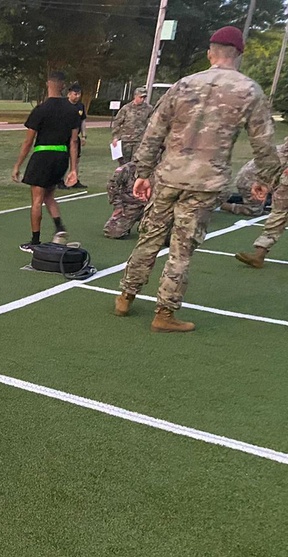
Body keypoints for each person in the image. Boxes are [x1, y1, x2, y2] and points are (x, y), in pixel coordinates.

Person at [114, 26, 280, 332]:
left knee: (149, 239)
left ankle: (126, 295)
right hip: (206, 183)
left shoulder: (183, 85)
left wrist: (143, 173)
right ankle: (164, 313)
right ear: (239, 55)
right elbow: (264, 144)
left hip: (169, 175)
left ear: (210, 53)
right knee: (181, 249)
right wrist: (266, 179)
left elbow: (154, 131)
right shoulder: (249, 91)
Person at [11, 70, 80, 251]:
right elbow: (74, 142)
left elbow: (28, 141)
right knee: (49, 195)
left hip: (43, 156)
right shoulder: (73, 111)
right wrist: (74, 169)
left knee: (37, 199)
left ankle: (34, 242)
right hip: (61, 158)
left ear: (48, 84)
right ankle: (59, 227)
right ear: (63, 86)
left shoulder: (41, 109)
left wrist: (17, 165)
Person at [103, 161, 148, 239]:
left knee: (165, 236)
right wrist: (118, 206)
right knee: (113, 232)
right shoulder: (127, 168)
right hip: (131, 206)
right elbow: (112, 185)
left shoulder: (161, 167)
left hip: (153, 206)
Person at [111, 87, 151, 165]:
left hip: (140, 141)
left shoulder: (148, 109)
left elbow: (152, 123)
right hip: (126, 140)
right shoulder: (126, 108)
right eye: (141, 97)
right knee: (124, 164)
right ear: (135, 96)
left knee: (136, 163)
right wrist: (116, 137)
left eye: (144, 97)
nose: (142, 99)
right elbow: (117, 122)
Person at [61, 83, 87, 189]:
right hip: (64, 136)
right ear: (69, 94)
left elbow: (83, 121)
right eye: (75, 94)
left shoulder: (80, 106)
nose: (77, 96)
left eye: (79, 94)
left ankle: (74, 179)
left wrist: (84, 135)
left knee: (76, 158)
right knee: (63, 158)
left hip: (76, 137)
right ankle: (60, 180)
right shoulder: (63, 105)